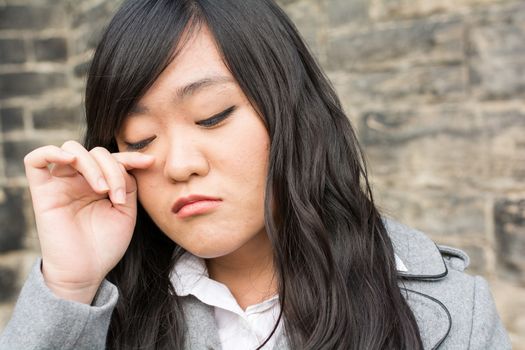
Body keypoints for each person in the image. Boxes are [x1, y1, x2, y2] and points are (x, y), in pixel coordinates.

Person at [0, 0, 511, 349]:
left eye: (213, 116)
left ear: (290, 111)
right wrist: (70, 286)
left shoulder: (445, 310)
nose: (179, 165)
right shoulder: (94, 312)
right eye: (139, 140)